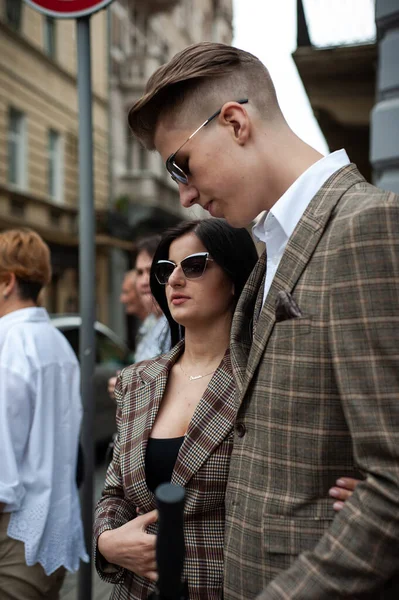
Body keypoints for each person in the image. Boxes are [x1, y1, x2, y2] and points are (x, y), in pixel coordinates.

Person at [128, 42, 399, 599]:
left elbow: (392, 482)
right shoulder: (267, 252)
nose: (184, 195)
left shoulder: (365, 224)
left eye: (182, 164)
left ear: (234, 122)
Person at [93, 218, 259, 599]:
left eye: (195, 265)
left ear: (234, 277)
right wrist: (106, 541)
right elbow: (115, 491)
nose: (175, 280)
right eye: (166, 270)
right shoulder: (137, 380)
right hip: (138, 590)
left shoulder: (260, 378)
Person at [0, 228, 88, 600]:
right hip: (52, 529)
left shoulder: (8, 342)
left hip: (13, 535)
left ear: (6, 281)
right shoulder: (56, 342)